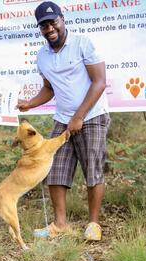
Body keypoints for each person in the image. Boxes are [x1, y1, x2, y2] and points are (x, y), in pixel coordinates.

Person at [16, 1, 110, 241]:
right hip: (63, 118)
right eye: (44, 25)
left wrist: (79, 117)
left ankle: (93, 224)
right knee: (55, 170)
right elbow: (49, 89)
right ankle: (60, 224)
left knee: (93, 169)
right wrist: (30, 103)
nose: (49, 29)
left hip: (92, 115)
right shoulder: (42, 56)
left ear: (62, 19)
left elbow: (99, 82)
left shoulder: (82, 44)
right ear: (40, 29)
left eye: (52, 22)